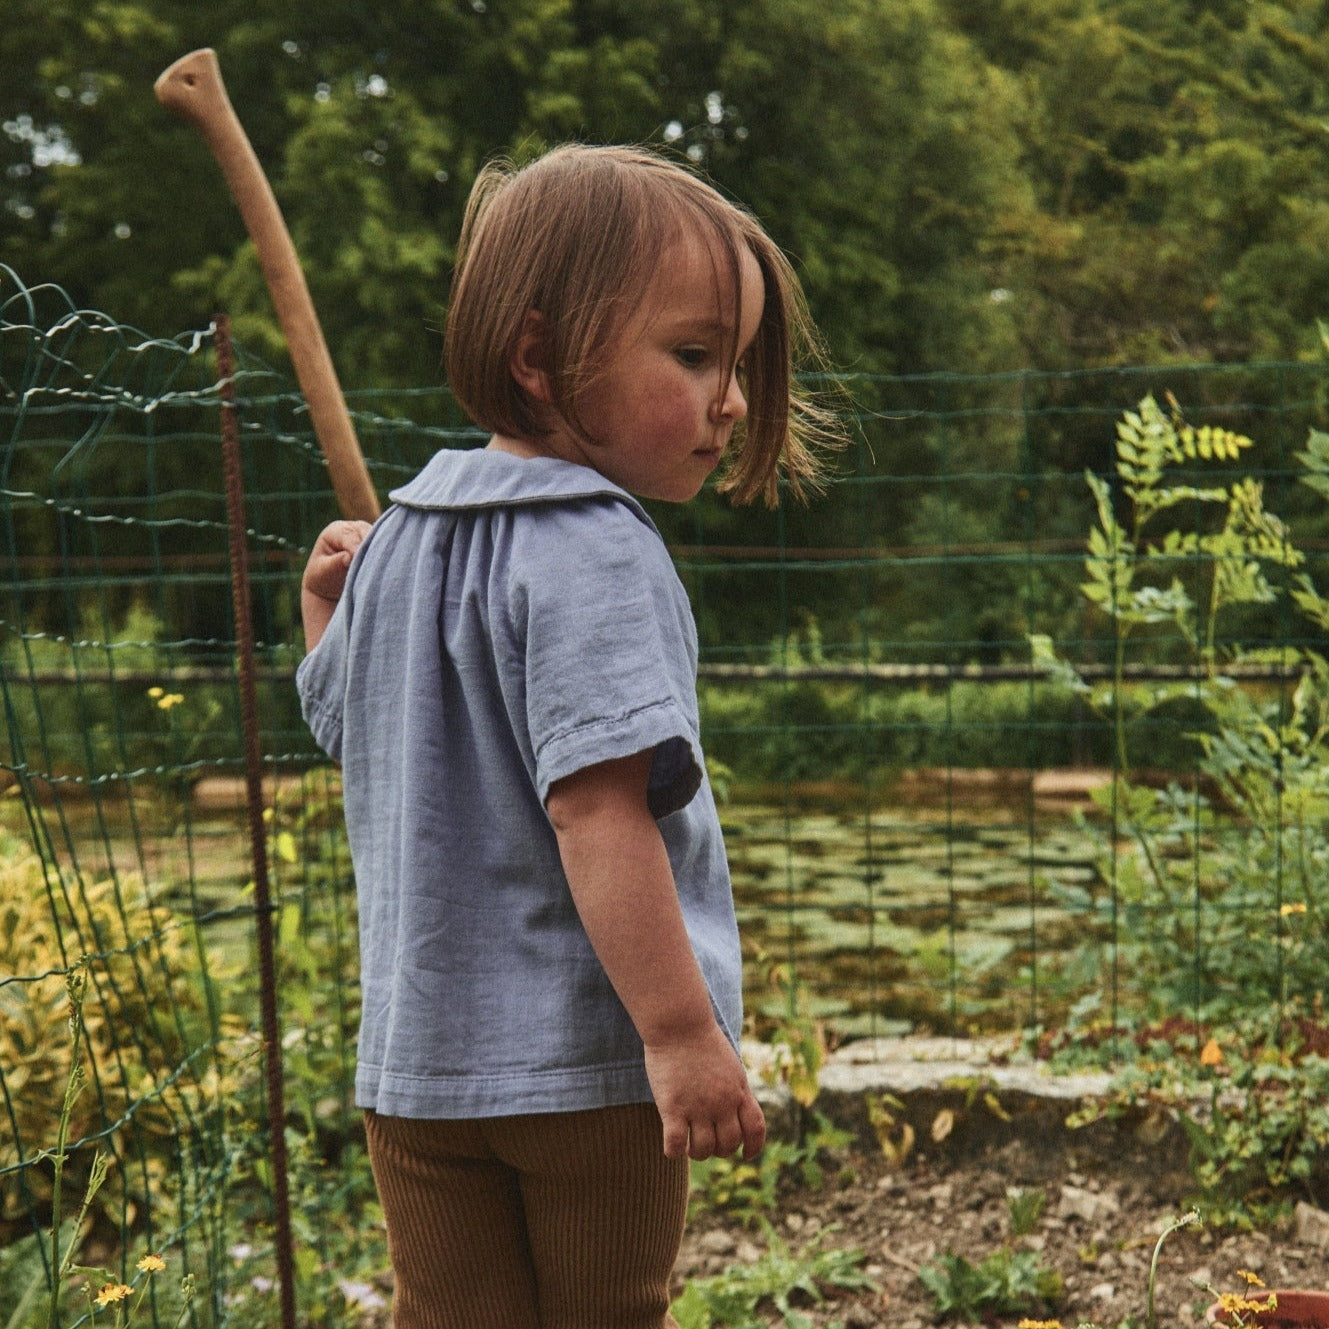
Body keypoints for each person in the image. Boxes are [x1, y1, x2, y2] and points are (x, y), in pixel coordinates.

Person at [297, 142, 840, 1329]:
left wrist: (326, 612)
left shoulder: (396, 539)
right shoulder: (597, 541)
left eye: (736, 364)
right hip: (584, 1070)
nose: (733, 400)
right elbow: (594, 808)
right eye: (697, 356)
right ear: (540, 356)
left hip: (419, 1070)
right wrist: (684, 1034)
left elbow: (350, 733)